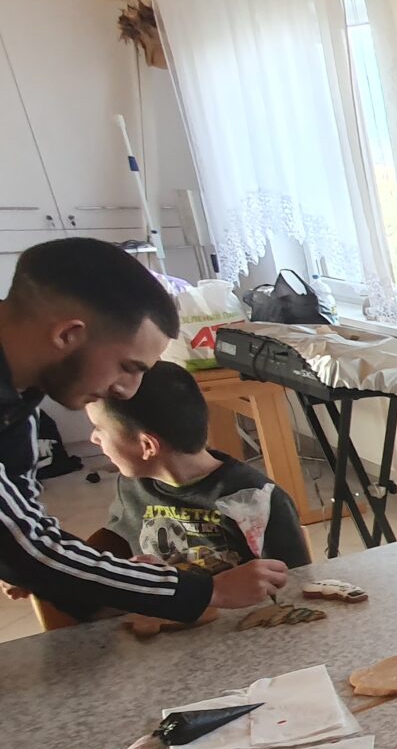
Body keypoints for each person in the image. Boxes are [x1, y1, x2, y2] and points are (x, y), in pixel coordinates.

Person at [0, 238, 287, 621]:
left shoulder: (21, 398)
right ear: (67, 335)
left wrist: (34, 564)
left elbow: (24, 535)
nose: (129, 391)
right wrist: (209, 590)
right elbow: (32, 550)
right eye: (129, 367)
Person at [89, 362, 310, 572]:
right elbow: (114, 545)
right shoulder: (131, 486)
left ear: (147, 446)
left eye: (99, 428)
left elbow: (293, 582)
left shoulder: (255, 499)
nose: (94, 438)